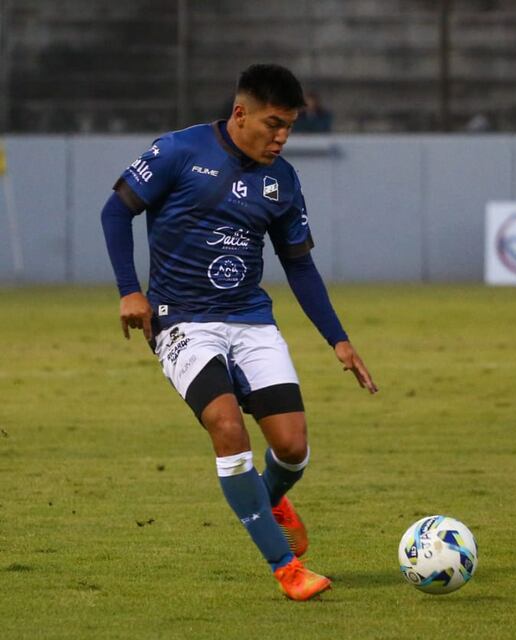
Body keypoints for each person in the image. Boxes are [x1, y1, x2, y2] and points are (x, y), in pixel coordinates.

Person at [100, 63, 377, 601]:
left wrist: (337, 339)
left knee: (293, 449)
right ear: (240, 113)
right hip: (181, 320)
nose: (282, 137)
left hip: (251, 320)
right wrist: (129, 291)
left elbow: (299, 265)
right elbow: (116, 213)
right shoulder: (178, 152)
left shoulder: (284, 181)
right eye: (273, 124)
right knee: (228, 429)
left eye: (290, 127)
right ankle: (286, 568)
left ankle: (266, 498)